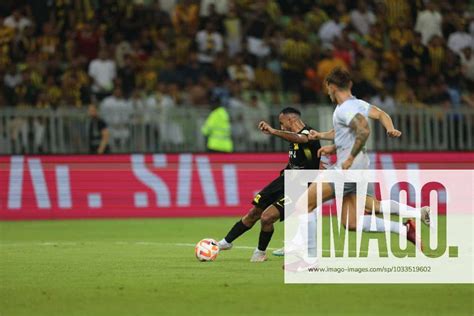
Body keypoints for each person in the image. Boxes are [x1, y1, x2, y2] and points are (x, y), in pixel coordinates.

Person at [302, 67, 429, 250]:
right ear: (350, 85)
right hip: (361, 169)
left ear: (332, 86)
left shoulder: (345, 108)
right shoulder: (357, 104)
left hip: (347, 170)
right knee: (352, 222)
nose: (327, 91)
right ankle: (404, 228)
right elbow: (376, 117)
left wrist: (349, 157)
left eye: (327, 87)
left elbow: (363, 129)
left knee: (304, 205)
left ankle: (309, 258)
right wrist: (327, 140)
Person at [217, 107, 321, 262]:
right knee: (254, 212)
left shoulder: (310, 133)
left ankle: (260, 253)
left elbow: (302, 138)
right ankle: (225, 242)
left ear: (290, 120)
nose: (281, 127)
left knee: (267, 218)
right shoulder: (292, 138)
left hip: (300, 187)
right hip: (284, 180)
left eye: (281, 123)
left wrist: (273, 131)